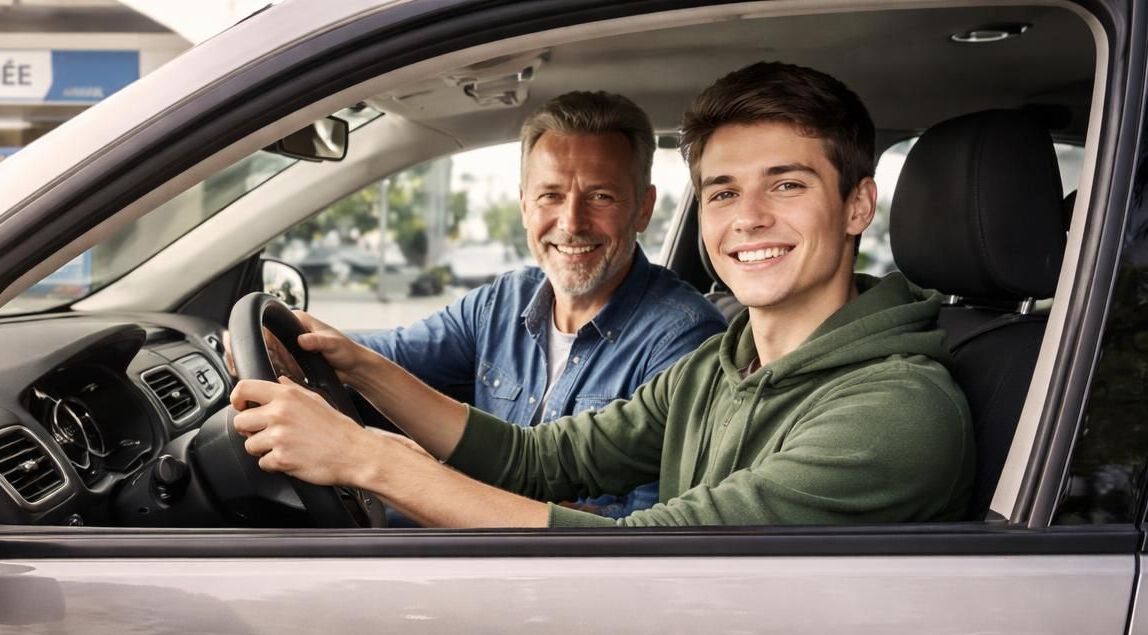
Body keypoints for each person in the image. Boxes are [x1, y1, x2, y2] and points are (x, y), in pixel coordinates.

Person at [230, 62, 975, 529]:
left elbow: (643, 554)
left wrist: (368, 461)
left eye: (786, 184)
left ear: (856, 205)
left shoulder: (893, 412)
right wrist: (355, 366)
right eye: (722, 192)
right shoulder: (724, 366)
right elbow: (535, 459)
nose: (748, 218)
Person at [319, 91, 726, 515]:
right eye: (550, 195)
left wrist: (389, 469)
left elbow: (647, 532)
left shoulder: (685, 340)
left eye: (600, 196)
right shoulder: (501, 303)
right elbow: (381, 355)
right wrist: (293, 340)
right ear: (524, 206)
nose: (571, 223)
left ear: (643, 209)